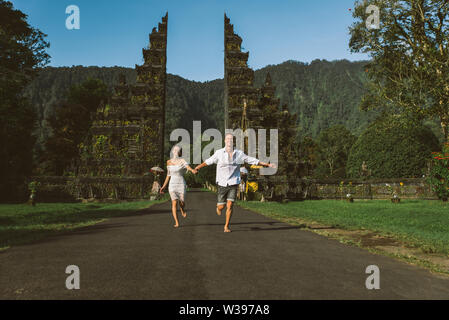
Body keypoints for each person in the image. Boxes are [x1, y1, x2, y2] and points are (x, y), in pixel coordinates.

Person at [195, 133, 276, 233]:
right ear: (225, 141)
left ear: (233, 142)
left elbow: (251, 160)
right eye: (228, 139)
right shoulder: (219, 153)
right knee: (222, 206)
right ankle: (218, 207)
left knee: (230, 205)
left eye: (231, 139)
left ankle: (226, 226)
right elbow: (209, 161)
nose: (229, 140)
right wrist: (198, 167)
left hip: (233, 183)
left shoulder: (239, 154)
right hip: (222, 183)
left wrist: (267, 164)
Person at [160, 145, 197, 228]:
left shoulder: (182, 160)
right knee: (174, 202)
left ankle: (182, 209)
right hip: (172, 184)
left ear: (180, 152)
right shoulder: (168, 162)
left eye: (178, 150)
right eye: (175, 150)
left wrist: (192, 170)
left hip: (181, 183)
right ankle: (177, 222)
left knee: (182, 202)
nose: (176, 151)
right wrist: (163, 186)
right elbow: (168, 175)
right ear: (172, 151)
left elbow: (188, 167)